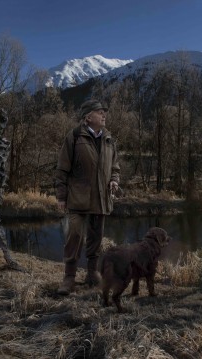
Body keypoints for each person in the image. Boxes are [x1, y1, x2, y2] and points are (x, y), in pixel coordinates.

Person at [54, 99, 121, 295]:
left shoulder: (109, 139)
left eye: (104, 112)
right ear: (88, 116)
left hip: (101, 199)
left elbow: (115, 167)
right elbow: (62, 169)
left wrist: (114, 180)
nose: (104, 115)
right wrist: (61, 196)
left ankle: (92, 274)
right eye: (100, 112)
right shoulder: (74, 136)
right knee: (74, 236)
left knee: (96, 238)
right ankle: (69, 278)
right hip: (77, 198)